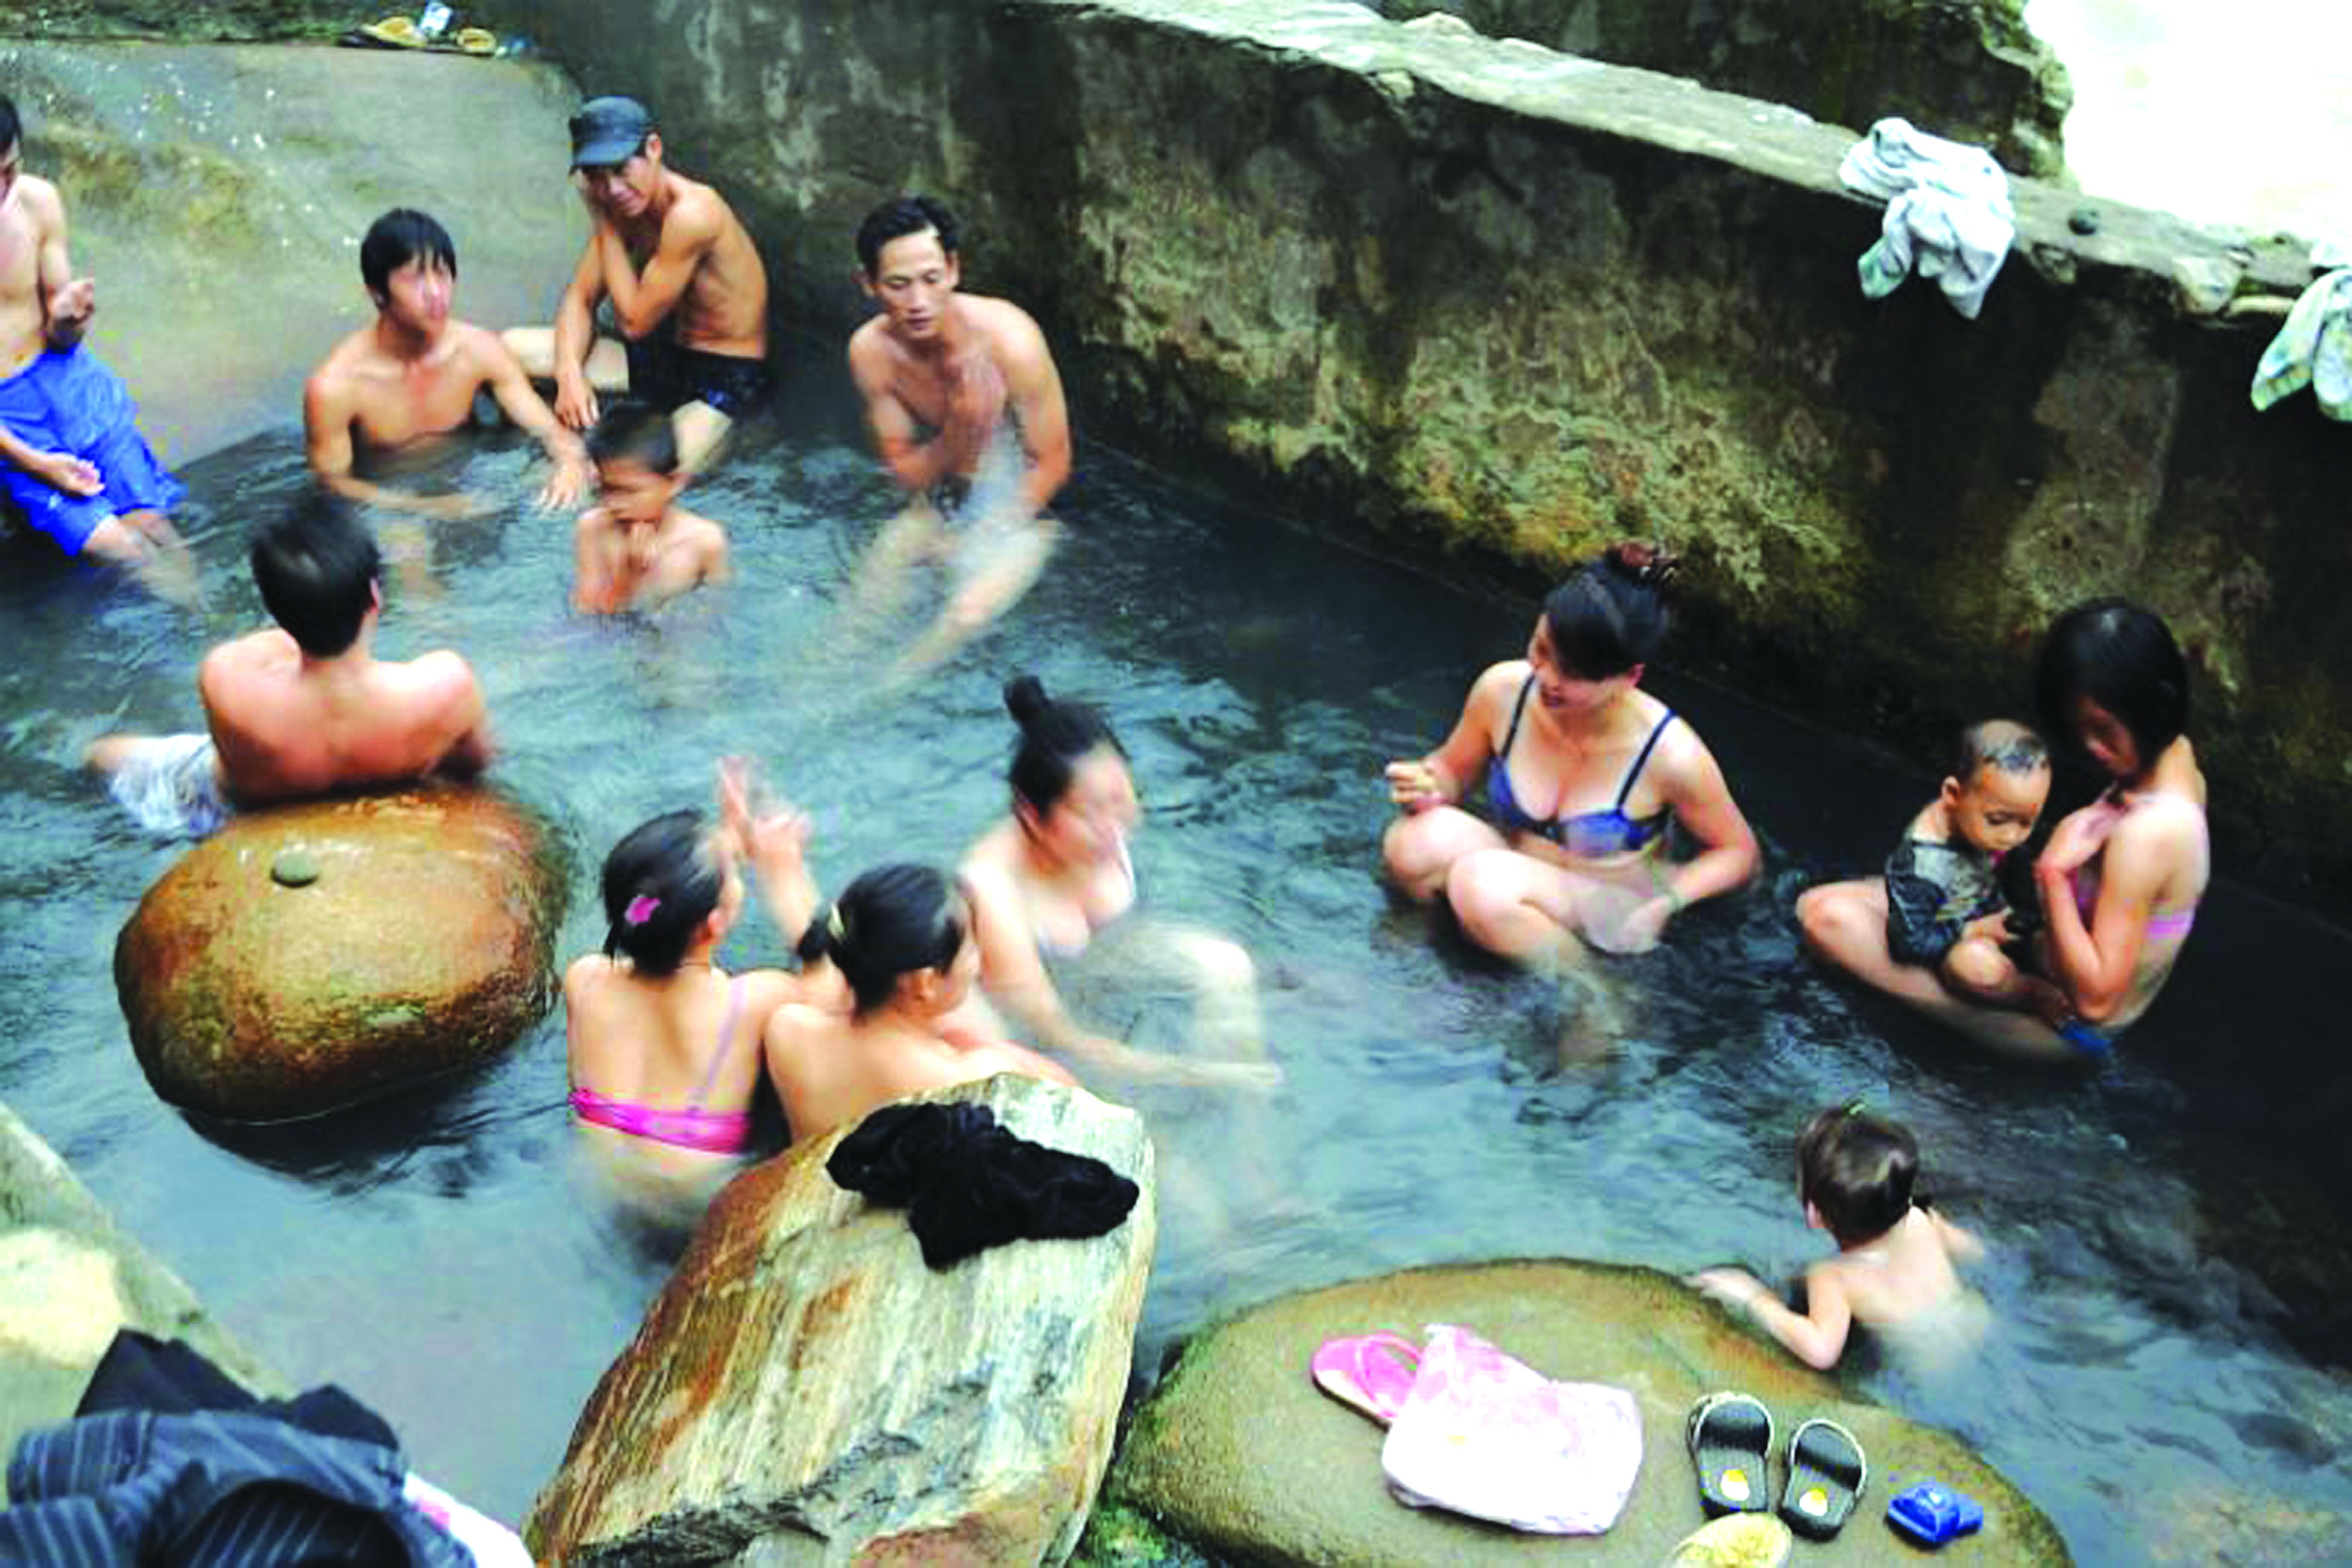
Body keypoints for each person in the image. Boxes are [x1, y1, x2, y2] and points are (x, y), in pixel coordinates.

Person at [1797, 599, 2209, 1063]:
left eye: (2102, 729)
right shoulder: (2177, 761)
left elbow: (2096, 1003)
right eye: (2078, 729)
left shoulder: (2148, 834)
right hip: (2026, 941)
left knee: (1825, 921)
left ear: (2155, 705)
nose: (2090, 747)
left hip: (2060, 1026)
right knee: (1825, 903)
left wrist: (2053, 875)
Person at [1382, 543, 1759, 960]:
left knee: (1482, 884)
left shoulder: (1669, 754)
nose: (1547, 677)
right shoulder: (1503, 691)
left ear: (1629, 677)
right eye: (1542, 649)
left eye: (1573, 672)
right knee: (1413, 843)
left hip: (1605, 903)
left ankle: (1594, 987)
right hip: (1511, 863)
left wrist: (1668, 900)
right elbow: (1452, 771)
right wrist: (1430, 784)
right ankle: (1453, 951)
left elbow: (1739, 854)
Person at [86, 493, 493, 836]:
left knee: (100, 755)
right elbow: (475, 765)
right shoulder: (444, 686)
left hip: (239, 809)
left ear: (274, 608)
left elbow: (273, 646)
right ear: (375, 597)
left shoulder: (226, 677)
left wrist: (303, 614)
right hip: (388, 774)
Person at [961, 674, 1279, 1090]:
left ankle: (1251, 1126)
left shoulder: (1104, 825)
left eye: (1121, 799)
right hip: (1045, 1031)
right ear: (1031, 815)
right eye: (1091, 813)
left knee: (1228, 967)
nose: (1116, 828)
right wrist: (1199, 1075)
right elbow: (1057, 1038)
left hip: (1110, 962)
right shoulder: (992, 890)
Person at [566, 763, 822, 1210]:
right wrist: (785, 873)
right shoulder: (754, 1002)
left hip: (595, 1178)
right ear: (715, 923)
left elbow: (658, 897)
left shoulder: (584, 979)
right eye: (733, 875)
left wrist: (727, 844)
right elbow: (842, 988)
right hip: (688, 1197)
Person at [845, 195, 1071, 675]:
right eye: (898, 285)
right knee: (862, 608)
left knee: (963, 617)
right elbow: (905, 472)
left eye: (931, 279)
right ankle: (801, 695)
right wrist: (958, 431)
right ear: (867, 283)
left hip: (1028, 510)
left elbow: (1053, 463)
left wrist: (982, 533)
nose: (918, 302)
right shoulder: (871, 352)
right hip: (947, 493)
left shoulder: (1010, 342)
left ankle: (870, 701)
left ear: (953, 269)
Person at [503, 96, 770, 477]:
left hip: (724, 380)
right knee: (506, 352)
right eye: (596, 176)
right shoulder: (627, 208)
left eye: (621, 169)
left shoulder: (693, 214)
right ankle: (560, 439)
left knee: (636, 477)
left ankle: (717, 435)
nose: (612, 189)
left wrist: (602, 220)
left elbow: (633, 323)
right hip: (662, 360)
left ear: (654, 149)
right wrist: (569, 375)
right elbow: (580, 299)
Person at [0, 92, 195, 602]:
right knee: (123, 550)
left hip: (66, 378)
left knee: (155, 526)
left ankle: (209, 621)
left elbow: (62, 335)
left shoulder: (36, 202)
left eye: (10, 170)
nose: (3, 187)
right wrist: (37, 463)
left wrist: (69, 320)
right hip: (8, 417)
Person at [303, 208, 591, 518]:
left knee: (570, 486)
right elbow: (335, 484)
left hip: (468, 472)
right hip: (389, 496)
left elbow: (549, 431)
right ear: (377, 293)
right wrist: (424, 508)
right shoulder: (335, 388)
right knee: (404, 540)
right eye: (414, 279)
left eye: (442, 274)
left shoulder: (477, 351)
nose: (435, 292)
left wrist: (570, 463)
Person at [763, 862, 1075, 1146]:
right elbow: (1071, 1099)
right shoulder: (967, 1077)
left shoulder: (788, 1029)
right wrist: (984, 1046)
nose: (977, 963)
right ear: (925, 982)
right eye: (971, 948)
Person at [1690, 1104, 1986, 1373]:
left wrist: (1755, 1298)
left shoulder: (1832, 1276)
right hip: (1978, 1323)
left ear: (1814, 1214)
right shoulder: (1922, 1217)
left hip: (1927, 1366)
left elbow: (1821, 1350)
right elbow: (1975, 1252)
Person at [1882, 719, 2057, 1011]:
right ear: (1953, 794)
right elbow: (1910, 944)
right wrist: (1974, 930)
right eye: (1998, 820)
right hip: (1959, 940)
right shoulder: (1921, 867)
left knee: (2055, 943)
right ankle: (2029, 992)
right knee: (1975, 967)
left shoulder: (1985, 824)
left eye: (2028, 822)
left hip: (1998, 915)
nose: (2012, 837)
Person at [571, 401, 729, 613]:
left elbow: (715, 613)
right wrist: (628, 575)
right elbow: (586, 615)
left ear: (675, 482)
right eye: (606, 489)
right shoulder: (593, 528)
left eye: (629, 491)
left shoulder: (706, 541)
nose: (613, 504)